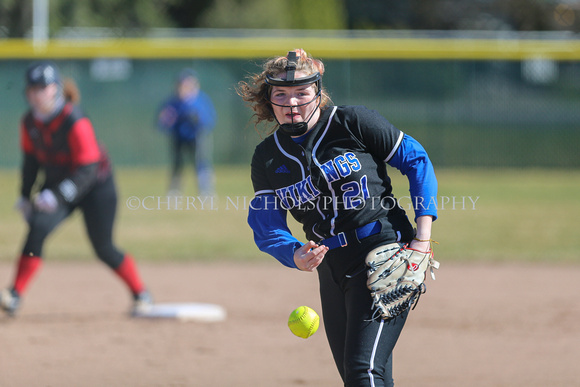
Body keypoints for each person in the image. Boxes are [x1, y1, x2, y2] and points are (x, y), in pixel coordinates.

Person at [237, 49, 438, 386]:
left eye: (302, 92)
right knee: (362, 374)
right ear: (268, 99)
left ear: (318, 91)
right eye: (281, 95)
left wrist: (422, 239)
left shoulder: (352, 123)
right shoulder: (267, 157)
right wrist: (293, 253)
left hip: (382, 253)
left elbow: (416, 160)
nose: (293, 104)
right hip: (331, 268)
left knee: (364, 371)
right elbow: (266, 222)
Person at [0, 61, 153, 317]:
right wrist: (25, 196)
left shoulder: (74, 119)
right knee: (37, 227)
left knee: (103, 247)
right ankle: (13, 295)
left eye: (43, 88)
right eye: (32, 89)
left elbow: (89, 167)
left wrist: (56, 195)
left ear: (55, 89)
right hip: (59, 184)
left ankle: (141, 293)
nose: (37, 94)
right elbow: (31, 162)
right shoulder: (29, 122)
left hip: (96, 187)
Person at [157, 68, 217, 197]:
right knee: (177, 165)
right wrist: (168, 120)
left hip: (197, 137)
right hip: (178, 137)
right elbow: (162, 123)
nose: (184, 87)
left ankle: (206, 192)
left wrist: (196, 117)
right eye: (182, 84)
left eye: (188, 84)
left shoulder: (200, 100)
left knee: (201, 164)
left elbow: (209, 121)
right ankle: (174, 193)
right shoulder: (173, 102)